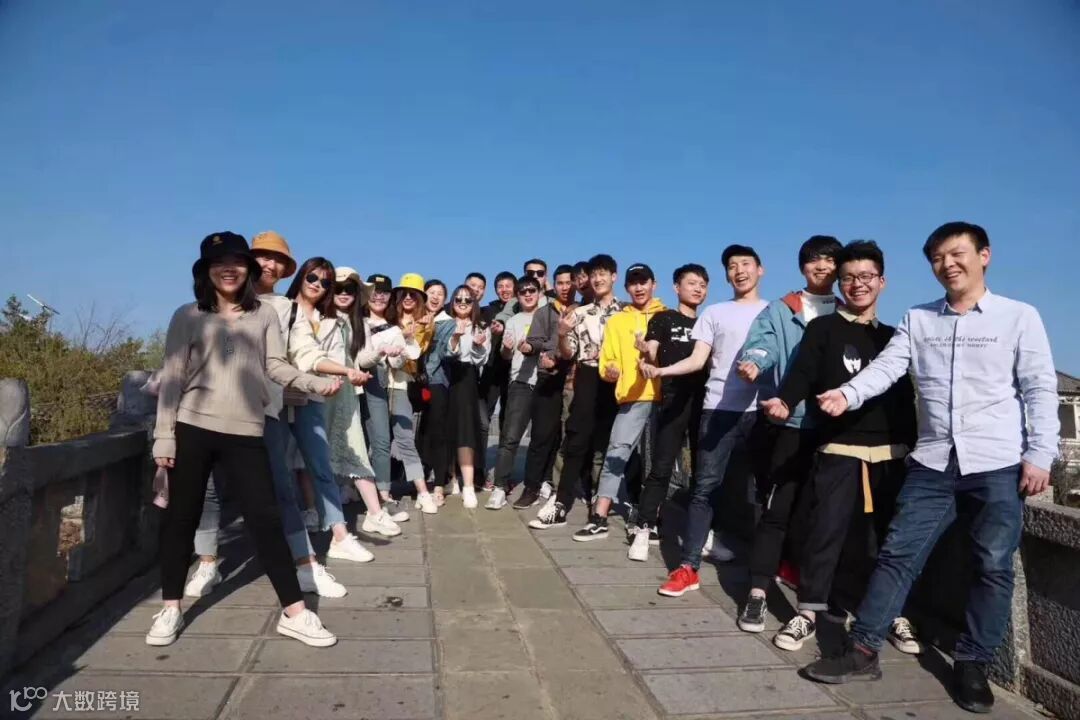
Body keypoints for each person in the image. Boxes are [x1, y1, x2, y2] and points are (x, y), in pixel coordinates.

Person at [803, 222, 1059, 715]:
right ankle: (863, 649)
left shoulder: (1018, 316)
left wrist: (1040, 454)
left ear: (984, 255)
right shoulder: (919, 319)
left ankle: (973, 664)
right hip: (933, 462)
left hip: (998, 463)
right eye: (938, 258)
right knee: (898, 554)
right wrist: (847, 394)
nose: (948, 264)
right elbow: (887, 367)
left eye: (957, 253)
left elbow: (1039, 388)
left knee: (992, 565)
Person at [148, 231, 337, 648]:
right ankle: (171, 607)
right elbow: (173, 379)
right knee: (180, 519)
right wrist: (164, 437)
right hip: (193, 426)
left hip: (246, 430)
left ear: (248, 270)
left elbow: (275, 365)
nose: (228, 270)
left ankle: (295, 612)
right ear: (206, 271)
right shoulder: (187, 316)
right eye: (219, 263)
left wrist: (311, 382)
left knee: (265, 519)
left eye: (236, 262)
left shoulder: (264, 315)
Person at [760, 241, 919, 653]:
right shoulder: (823, 328)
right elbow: (802, 373)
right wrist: (785, 401)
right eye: (849, 278)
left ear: (882, 281)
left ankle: (891, 613)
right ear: (839, 283)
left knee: (886, 538)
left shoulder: (894, 336)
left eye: (866, 276)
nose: (857, 284)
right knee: (824, 532)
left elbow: (905, 396)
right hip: (838, 446)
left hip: (890, 452)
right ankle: (808, 613)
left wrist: (912, 445)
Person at [641, 245, 769, 596]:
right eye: (732, 266)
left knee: (761, 491)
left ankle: (766, 568)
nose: (739, 270)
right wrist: (661, 370)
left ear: (760, 270)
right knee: (704, 487)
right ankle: (688, 567)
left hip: (760, 411)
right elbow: (698, 360)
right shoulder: (714, 312)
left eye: (746, 264)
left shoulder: (773, 311)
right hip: (717, 410)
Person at [732, 235, 843, 631]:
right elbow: (762, 346)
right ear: (802, 267)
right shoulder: (783, 310)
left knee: (824, 517)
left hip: (836, 430)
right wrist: (754, 362)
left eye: (829, 260)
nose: (821, 266)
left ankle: (817, 595)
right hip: (791, 423)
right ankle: (758, 592)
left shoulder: (848, 311)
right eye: (813, 260)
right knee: (776, 511)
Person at [284, 258, 377, 563]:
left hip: (313, 397)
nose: (318, 285)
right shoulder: (282, 310)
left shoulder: (331, 320)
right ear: (301, 277)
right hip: (277, 398)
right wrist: (346, 371)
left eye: (325, 282)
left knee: (321, 467)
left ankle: (339, 536)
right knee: (281, 469)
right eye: (313, 278)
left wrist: (348, 372)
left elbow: (317, 356)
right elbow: (302, 356)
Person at [573, 263, 666, 541]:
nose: (639, 287)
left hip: (664, 397)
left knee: (657, 461)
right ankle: (599, 516)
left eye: (643, 282)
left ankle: (649, 519)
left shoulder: (665, 316)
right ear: (626, 287)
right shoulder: (617, 321)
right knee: (616, 453)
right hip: (632, 397)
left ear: (653, 284)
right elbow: (607, 361)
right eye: (633, 283)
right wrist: (610, 370)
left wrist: (650, 354)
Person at [529, 254, 622, 529]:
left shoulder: (626, 313)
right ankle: (561, 502)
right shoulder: (578, 314)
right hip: (588, 376)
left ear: (614, 277)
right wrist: (560, 333)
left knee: (609, 443)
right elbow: (569, 352)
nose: (598, 279)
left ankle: (602, 502)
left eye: (603, 273)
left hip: (618, 381)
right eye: (594, 274)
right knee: (576, 439)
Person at [628, 263, 710, 560]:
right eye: (692, 283)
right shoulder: (664, 318)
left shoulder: (708, 322)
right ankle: (644, 527)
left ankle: (704, 533)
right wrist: (644, 351)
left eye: (703, 284)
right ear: (677, 287)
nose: (698, 289)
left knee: (704, 471)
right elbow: (651, 351)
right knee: (661, 467)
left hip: (705, 401)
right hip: (674, 399)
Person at [329, 266, 404, 537]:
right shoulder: (318, 316)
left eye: (350, 289)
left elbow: (362, 357)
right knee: (316, 449)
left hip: (358, 386)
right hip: (321, 387)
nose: (344, 293)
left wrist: (382, 352)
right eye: (338, 288)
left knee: (367, 443)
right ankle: (317, 507)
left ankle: (377, 504)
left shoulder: (360, 324)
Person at [510, 264, 577, 509]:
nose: (565, 287)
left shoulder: (584, 310)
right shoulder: (544, 312)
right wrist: (529, 347)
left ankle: (560, 485)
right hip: (548, 376)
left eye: (569, 282)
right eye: (560, 283)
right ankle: (532, 487)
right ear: (553, 285)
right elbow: (534, 342)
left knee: (570, 435)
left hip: (575, 378)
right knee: (541, 435)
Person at [354, 273, 414, 521]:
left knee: (380, 439)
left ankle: (384, 494)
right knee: (350, 438)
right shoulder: (353, 319)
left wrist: (398, 354)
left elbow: (397, 363)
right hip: (345, 381)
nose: (379, 297)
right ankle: (346, 486)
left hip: (375, 381)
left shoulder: (394, 329)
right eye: (375, 292)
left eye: (385, 293)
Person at [425, 284, 491, 508]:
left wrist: (477, 345)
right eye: (458, 299)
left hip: (466, 379)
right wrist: (454, 337)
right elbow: (443, 353)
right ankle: (451, 478)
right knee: (446, 430)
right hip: (444, 377)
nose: (463, 303)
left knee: (465, 430)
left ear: (474, 303)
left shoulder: (480, 326)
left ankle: (468, 485)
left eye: (468, 300)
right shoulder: (445, 324)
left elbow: (481, 359)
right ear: (452, 302)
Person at [486, 274, 543, 509]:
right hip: (520, 382)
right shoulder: (514, 320)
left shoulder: (548, 316)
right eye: (523, 291)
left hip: (546, 382)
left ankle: (539, 484)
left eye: (532, 290)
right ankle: (500, 486)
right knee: (510, 437)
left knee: (542, 439)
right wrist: (508, 349)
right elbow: (506, 355)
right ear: (518, 296)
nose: (528, 294)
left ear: (539, 293)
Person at [476, 270, 516, 488]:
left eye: (508, 285)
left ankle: (504, 475)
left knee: (508, 424)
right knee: (483, 423)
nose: (504, 289)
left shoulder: (521, 307)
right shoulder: (487, 311)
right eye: (500, 286)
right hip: (490, 372)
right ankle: (479, 470)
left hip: (513, 373)